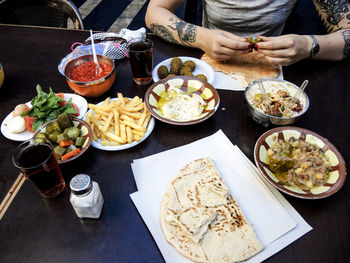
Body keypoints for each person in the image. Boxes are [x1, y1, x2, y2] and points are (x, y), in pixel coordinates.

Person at [145, 0, 350, 66]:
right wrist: (203, 38)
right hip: (212, 66)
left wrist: (308, 46)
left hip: (277, 68)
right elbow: (154, 12)